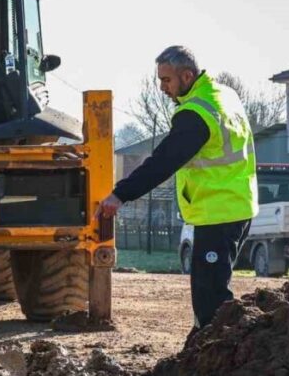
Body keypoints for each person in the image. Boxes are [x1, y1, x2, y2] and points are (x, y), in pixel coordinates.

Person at [99, 46, 258, 338]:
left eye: (167, 80)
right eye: (159, 80)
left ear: (187, 75)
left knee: (210, 295)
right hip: (237, 205)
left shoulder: (196, 113)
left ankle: (218, 352)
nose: (162, 88)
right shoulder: (223, 95)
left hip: (218, 211)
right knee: (210, 288)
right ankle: (206, 348)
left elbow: (163, 162)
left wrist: (121, 194)